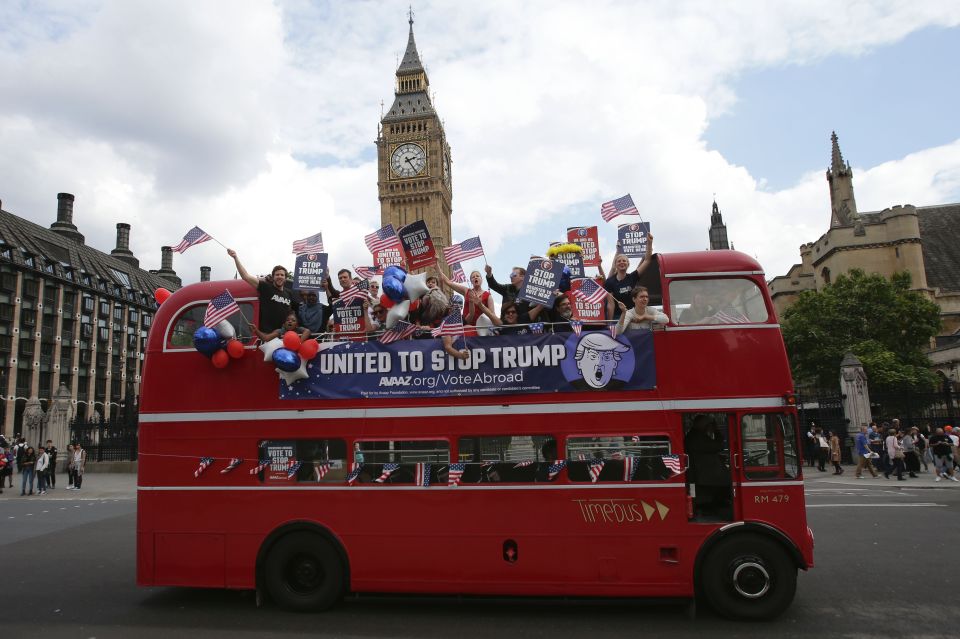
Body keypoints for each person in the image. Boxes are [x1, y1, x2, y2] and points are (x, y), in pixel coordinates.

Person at [228, 248, 298, 333]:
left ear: (285, 278)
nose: (279, 276)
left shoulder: (289, 293)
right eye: (277, 275)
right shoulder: (266, 287)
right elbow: (245, 276)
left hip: (284, 335)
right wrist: (235, 258)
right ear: (273, 277)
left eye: (282, 275)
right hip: (267, 335)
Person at [684, 414, 731, 518]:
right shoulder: (696, 437)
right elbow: (718, 446)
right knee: (727, 484)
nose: (710, 427)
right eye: (709, 424)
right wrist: (716, 431)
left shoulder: (697, 436)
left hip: (704, 472)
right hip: (704, 474)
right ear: (703, 425)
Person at [603, 233, 654, 320]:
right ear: (615, 265)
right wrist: (610, 323)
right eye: (619, 261)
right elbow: (610, 305)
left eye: (624, 261)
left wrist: (649, 243)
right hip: (617, 318)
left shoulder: (632, 277)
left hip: (632, 316)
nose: (622, 262)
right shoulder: (610, 282)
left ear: (628, 264)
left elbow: (647, 260)